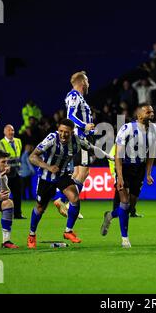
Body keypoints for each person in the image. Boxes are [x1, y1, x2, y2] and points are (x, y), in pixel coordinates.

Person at [100, 104, 156, 248]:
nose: (152, 113)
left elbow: (151, 153)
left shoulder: (155, 129)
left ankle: (110, 215)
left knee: (130, 206)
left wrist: (149, 173)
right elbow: (118, 155)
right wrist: (119, 176)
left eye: (152, 111)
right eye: (148, 111)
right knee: (124, 203)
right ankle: (125, 239)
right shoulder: (127, 128)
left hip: (139, 169)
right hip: (124, 167)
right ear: (139, 115)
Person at [27, 119, 83, 248]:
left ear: (72, 132)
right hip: (46, 177)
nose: (63, 134)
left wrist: (109, 156)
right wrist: (48, 166)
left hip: (62, 175)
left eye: (66, 132)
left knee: (74, 198)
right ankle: (31, 235)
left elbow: (91, 147)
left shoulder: (76, 140)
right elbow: (32, 156)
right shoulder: (52, 138)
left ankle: (68, 231)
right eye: (61, 131)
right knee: (40, 208)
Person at [53, 71, 95, 217]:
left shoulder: (79, 98)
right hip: (80, 138)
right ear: (82, 82)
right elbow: (70, 116)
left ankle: (70, 204)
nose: (89, 84)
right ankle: (63, 199)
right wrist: (84, 126)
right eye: (87, 80)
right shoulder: (74, 95)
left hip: (81, 137)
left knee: (77, 172)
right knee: (84, 172)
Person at [0, 125, 25, 219]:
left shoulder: (18, 141)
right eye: (9, 130)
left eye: (12, 130)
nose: (11, 132)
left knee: (18, 194)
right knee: (4, 194)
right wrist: (3, 169)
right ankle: (4, 213)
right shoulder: (0, 144)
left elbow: (18, 157)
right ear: (4, 132)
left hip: (16, 172)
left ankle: (17, 214)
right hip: (5, 173)